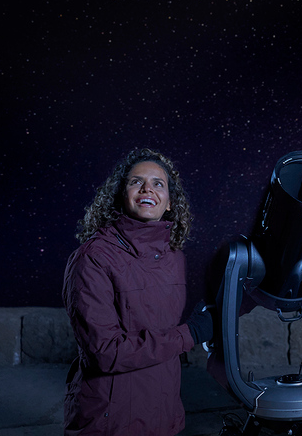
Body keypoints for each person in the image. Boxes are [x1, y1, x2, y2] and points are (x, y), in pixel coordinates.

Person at [62, 148, 213, 435]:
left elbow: (161, 328)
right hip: (112, 417)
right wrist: (189, 333)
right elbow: (105, 353)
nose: (147, 188)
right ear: (121, 194)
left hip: (164, 411)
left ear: (170, 203)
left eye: (159, 183)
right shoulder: (94, 257)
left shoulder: (173, 255)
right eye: (136, 181)